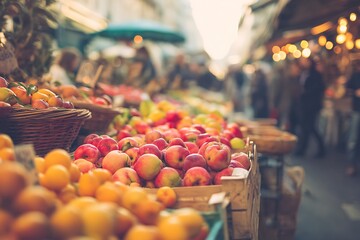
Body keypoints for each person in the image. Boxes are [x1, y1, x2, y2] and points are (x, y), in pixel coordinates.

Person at [294, 57, 326, 158]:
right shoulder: (303, 73)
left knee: (311, 127)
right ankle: (302, 148)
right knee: (305, 127)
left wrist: (305, 93)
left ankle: (321, 148)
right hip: (304, 105)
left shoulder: (316, 75)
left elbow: (318, 89)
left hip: (312, 105)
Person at [345, 62, 360, 176]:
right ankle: (351, 164)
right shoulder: (355, 76)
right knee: (353, 139)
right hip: (357, 110)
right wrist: (355, 92)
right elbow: (347, 88)